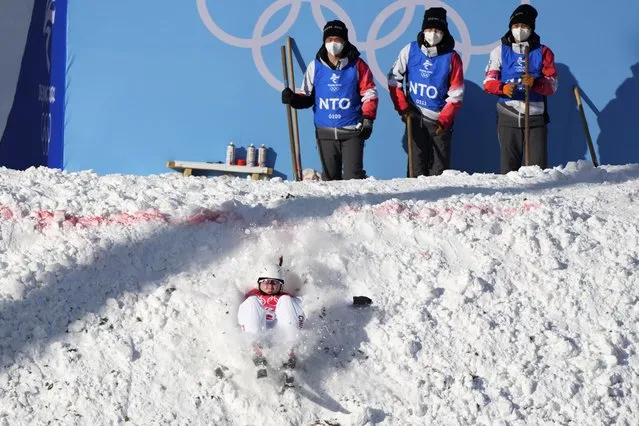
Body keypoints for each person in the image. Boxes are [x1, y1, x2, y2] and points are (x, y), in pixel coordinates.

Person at [281, 20, 378, 181]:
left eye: (338, 40)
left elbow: (369, 93)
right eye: (329, 40)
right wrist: (293, 99)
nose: (333, 43)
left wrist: (368, 118)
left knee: (352, 178)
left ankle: (354, 206)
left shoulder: (357, 65)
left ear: (345, 41)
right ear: (324, 42)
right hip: (325, 133)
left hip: (352, 131)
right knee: (330, 179)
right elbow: (307, 97)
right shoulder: (315, 66)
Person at [387, 7, 464, 177]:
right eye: (429, 29)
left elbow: (456, 94)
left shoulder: (452, 57)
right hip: (414, 118)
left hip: (439, 123)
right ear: (423, 30)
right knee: (415, 170)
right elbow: (393, 80)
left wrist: (444, 120)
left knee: (439, 171)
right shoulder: (410, 50)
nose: (432, 33)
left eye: (437, 30)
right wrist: (403, 108)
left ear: (444, 32)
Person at [483, 4, 558, 173]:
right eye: (516, 26)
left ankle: (535, 199)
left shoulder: (544, 51)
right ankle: (508, 199)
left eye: (524, 26)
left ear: (531, 29)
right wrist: (502, 88)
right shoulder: (499, 51)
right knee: (508, 170)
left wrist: (536, 83)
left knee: (537, 170)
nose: (519, 30)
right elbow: (488, 82)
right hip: (508, 114)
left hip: (535, 117)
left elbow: (552, 85)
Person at [237, 263, 305, 376]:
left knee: (287, 301)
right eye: (266, 282)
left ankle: (289, 354)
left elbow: (306, 305)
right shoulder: (252, 296)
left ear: (281, 285)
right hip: (259, 332)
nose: (270, 286)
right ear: (259, 283)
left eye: (275, 283)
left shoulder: (286, 298)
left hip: (281, 334)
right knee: (251, 302)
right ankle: (258, 353)